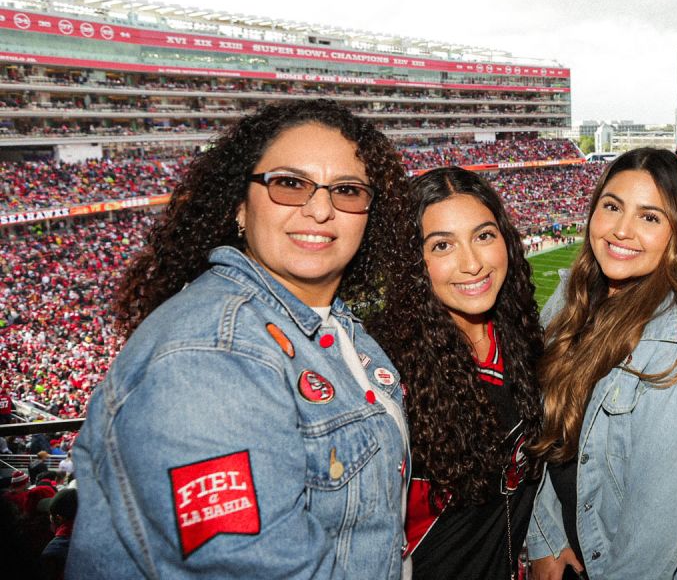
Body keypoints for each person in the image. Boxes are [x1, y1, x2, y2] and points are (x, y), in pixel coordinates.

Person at [67, 99, 420, 579]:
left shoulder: (335, 328)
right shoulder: (211, 352)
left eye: (347, 190)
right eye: (290, 184)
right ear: (239, 205)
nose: (320, 209)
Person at [526, 148, 677, 580]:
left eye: (650, 217)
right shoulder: (571, 301)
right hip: (583, 546)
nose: (622, 230)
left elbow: (653, 539)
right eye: (612, 207)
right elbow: (544, 434)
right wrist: (545, 536)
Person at [394, 167, 544, 579]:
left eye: (483, 236)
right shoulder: (390, 380)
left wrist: (551, 541)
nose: (473, 263)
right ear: (413, 262)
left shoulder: (523, 341)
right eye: (442, 245)